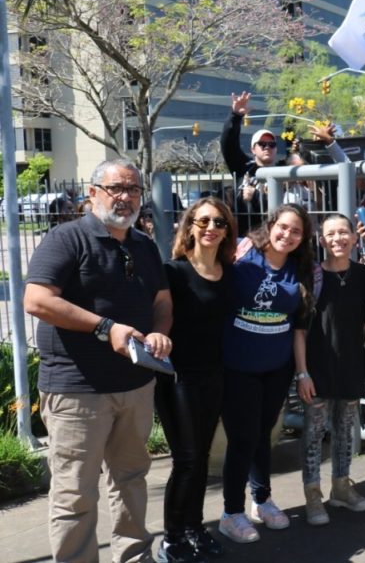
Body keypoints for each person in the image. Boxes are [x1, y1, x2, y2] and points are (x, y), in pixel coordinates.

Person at [24, 158, 173, 562]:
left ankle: (134, 556)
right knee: (75, 492)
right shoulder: (66, 239)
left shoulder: (143, 244)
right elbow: (37, 300)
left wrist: (160, 331)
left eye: (133, 189)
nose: (125, 197)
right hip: (77, 393)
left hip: (136, 387)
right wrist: (107, 328)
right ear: (93, 193)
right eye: (116, 188)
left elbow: (162, 300)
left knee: (130, 480)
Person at [218, 204, 314, 544]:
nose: (287, 235)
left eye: (296, 231)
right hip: (237, 366)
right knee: (242, 438)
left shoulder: (300, 270)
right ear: (271, 225)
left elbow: (299, 326)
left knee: (263, 436)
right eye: (283, 227)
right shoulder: (242, 255)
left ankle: (262, 499)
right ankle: (231, 512)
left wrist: (301, 373)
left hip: (276, 368)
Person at [294, 214, 365, 525]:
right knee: (313, 434)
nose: (338, 239)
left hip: (351, 364)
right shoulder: (310, 277)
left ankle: (341, 487)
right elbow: (298, 329)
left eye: (343, 233)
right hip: (316, 368)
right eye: (330, 234)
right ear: (321, 241)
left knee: (345, 432)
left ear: (354, 237)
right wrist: (302, 373)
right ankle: (312, 495)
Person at [155, 197, 236, 562]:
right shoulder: (173, 272)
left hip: (214, 375)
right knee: (186, 459)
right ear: (189, 227)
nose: (211, 228)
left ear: (227, 231)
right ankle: (171, 537)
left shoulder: (230, 273)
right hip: (179, 378)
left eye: (219, 222)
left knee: (201, 457)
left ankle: (194, 528)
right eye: (202, 221)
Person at [220, 90, 283, 236]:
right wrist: (235, 115)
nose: (267, 147)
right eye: (262, 144)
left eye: (272, 144)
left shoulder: (283, 173)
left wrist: (256, 196)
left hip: (273, 237)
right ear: (253, 149)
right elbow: (228, 144)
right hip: (244, 237)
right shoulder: (244, 167)